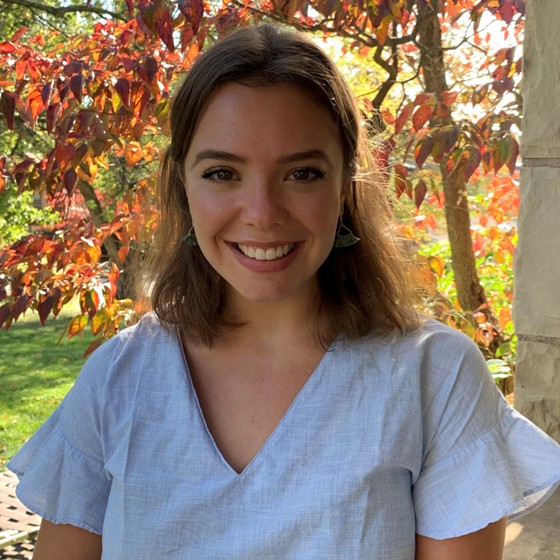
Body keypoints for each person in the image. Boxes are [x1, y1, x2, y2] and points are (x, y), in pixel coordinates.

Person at [8, 24, 560, 560]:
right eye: (223, 173)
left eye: (302, 175)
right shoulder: (118, 379)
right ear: (183, 184)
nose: (263, 214)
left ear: (346, 183)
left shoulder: (433, 377)